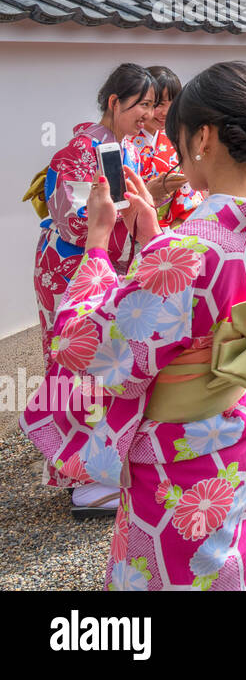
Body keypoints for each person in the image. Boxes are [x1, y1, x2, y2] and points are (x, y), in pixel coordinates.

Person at [22, 62, 246, 588]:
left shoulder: (190, 247)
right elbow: (200, 296)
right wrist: (156, 236)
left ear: (202, 136)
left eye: (179, 136)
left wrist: (97, 243)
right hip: (242, 425)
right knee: (228, 561)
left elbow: (87, 345)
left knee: (172, 573)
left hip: (182, 452)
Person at [26, 64, 154, 518]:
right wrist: (125, 211)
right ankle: (74, 474)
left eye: (152, 104)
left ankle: (90, 463)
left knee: (97, 366)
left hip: (102, 266)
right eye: (141, 104)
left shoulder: (120, 148)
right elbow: (76, 223)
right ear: (115, 102)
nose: (148, 114)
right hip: (68, 268)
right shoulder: (77, 152)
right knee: (72, 360)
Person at [131, 65, 205, 228]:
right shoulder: (126, 142)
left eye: (172, 104)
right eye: (159, 104)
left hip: (172, 228)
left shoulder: (175, 139)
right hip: (133, 226)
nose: (166, 112)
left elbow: (188, 190)